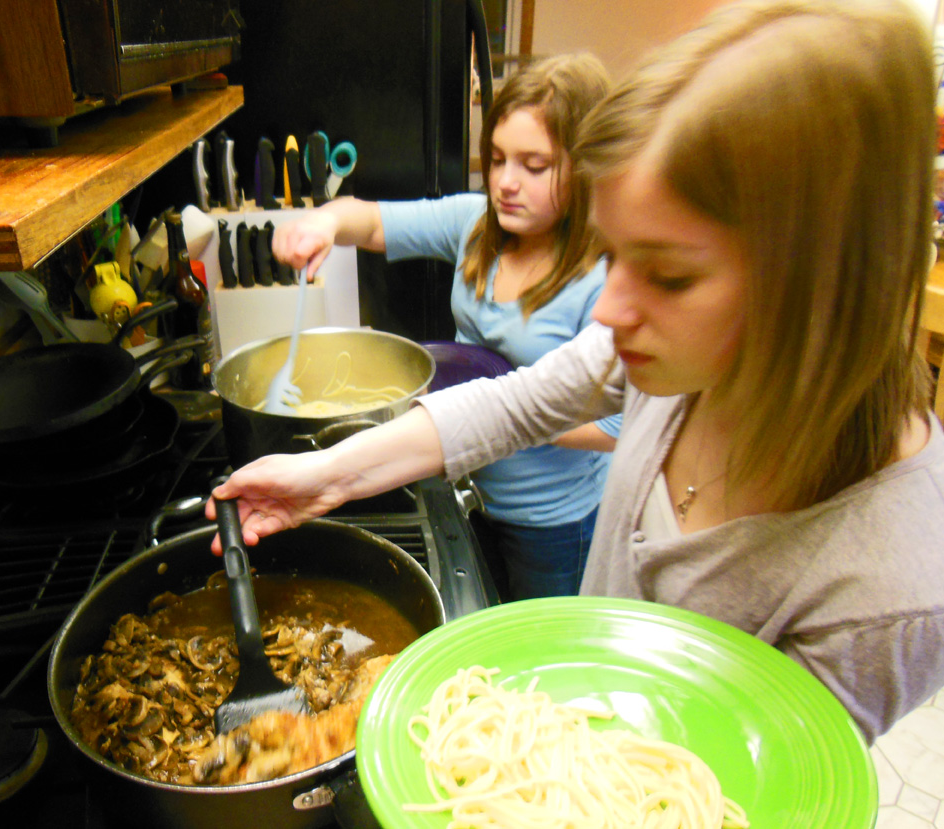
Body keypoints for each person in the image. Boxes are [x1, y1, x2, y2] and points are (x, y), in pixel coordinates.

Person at [210, 0, 944, 744]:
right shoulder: (669, 353)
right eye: (615, 254)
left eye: (667, 273)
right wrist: (327, 475)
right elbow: (512, 406)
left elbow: (760, 791)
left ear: (822, 282)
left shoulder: (895, 586)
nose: (613, 307)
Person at [271, 53, 622, 600]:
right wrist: (325, 221)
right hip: (468, 484)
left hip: (551, 523)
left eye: (534, 166)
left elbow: (614, 430)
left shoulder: (603, 279)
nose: (506, 182)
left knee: (534, 657)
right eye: (499, 158)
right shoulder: (475, 225)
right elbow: (372, 221)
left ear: (584, 166)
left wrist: (497, 404)